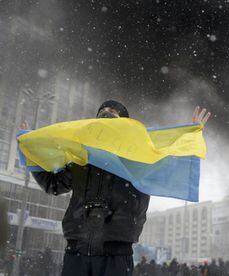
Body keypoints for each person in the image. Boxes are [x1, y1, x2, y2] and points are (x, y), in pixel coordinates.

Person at [19, 100, 211, 276]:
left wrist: (189, 136)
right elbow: (53, 184)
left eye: (113, 113)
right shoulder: (81, 159)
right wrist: (28, 149)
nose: (106, 114)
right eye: (103, 112)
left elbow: (168, 168)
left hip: (115, 255)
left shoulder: (138, 159)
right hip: (76, 251)